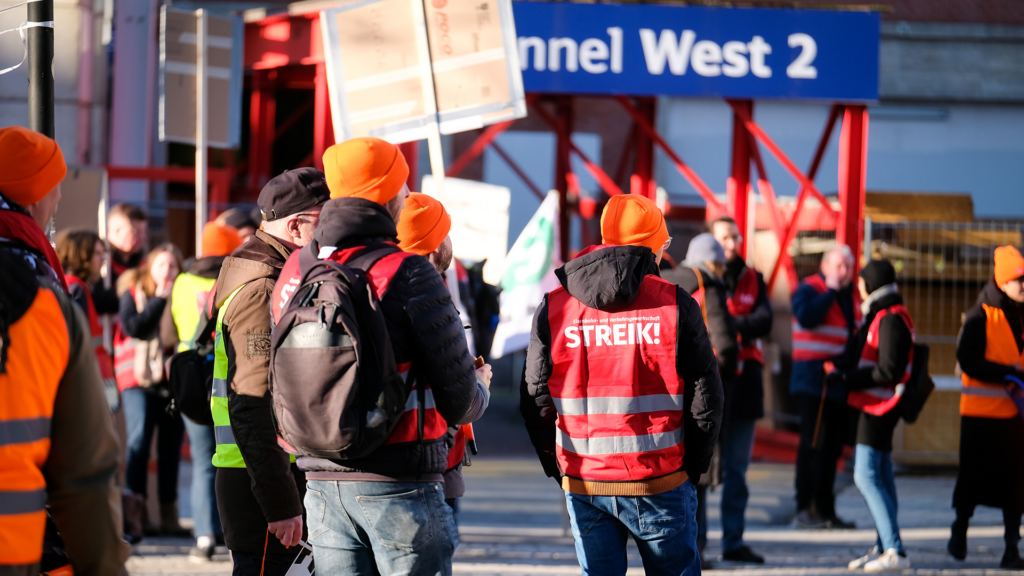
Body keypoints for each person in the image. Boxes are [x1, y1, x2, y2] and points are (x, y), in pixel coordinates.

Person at [271, 138, 491, 576]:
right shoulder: (408, 272)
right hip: (400, 485)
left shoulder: (296, 270)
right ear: (389, 194)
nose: (408, 197)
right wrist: (481, 388)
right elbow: (459, 399)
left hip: (320, 481)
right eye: (404, 188)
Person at [522, 193, 724, 576]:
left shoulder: (555, 306)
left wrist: (559, 467)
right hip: (660, 479)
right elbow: (707, 397)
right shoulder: (676, 304)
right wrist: (691, 471)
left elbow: (535, 396)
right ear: (651, 246)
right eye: (663, 244)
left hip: (585, 481)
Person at [0, 125, 127, 574]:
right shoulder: (39, 295)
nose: (57, 203)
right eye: (55, 191)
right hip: (16, 546)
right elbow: (80, 468)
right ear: (35, 197)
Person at [210, 168, 328, 575]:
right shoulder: (263, 288)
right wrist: (280, 503)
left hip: (258, 473)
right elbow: (253, 400)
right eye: (324, 220)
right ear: (296, 226)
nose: (332, 231)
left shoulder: (261, 270)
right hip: (260, 482)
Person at [397, 192, 490, 513]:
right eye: (446, 232)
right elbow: (462, 402)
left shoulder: (379, 282)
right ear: (435, 246)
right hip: (428, 460)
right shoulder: (430, 297)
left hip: (393, 458)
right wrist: (480, 383)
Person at [160, 222, 241, 562]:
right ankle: (230, 531)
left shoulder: (182, 281)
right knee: (233, 459)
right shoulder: (237, 278)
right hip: (231, 379)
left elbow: (166, 335)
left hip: (192, 382)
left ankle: (204, 536)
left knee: (202, 461)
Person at [826, 260, 914, 571]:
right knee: (882, 477)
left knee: (865, 476)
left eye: (862, 282)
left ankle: (894, 550)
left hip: (880, 408)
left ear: (871, 284)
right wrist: (841, 371)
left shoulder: (889, 318)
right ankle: (885, 546)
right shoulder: (880, 315)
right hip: (874, 406)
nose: (858, 288)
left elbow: (888, 369)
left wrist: (849, 378)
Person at [662, 232, 738, 566]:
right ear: (711, 263)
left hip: (664, 391)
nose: (723, 269)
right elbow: (725, 344)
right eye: (721, 263)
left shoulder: (662, 282)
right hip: (700, 390)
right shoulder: (709, 287)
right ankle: (696, 549)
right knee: (699, 473)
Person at [949, 245, 1024, 569]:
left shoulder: (1022, 313)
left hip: (1015, 417)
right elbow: (968, 360)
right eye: (1019, 280)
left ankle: (1011, 549)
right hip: (981, 418)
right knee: (971, 483)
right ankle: (960, 530)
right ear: (1003, 282)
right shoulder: (979, 315)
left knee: (1017, 486)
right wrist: (1008, 373)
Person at [710, 216, 772, 564]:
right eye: (724, 238)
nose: (731, 243)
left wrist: (728, 325)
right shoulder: (705, 280)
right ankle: (698, 542)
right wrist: (737, 327)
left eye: (735, 236)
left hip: (746, 384)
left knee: (737, 470)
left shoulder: (754, 279)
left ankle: (733, 541)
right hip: (712, 381)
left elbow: (764, 320)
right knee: (702, 470)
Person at [116, 243, 188, 542]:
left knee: (171, 449)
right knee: (139, 445)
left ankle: (169, 517)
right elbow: (135, 326)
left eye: (173, 266)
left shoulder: (183, 295)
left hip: (170, 381)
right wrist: (160, 299)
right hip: (138, 380)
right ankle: (137, 517)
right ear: (150, 267)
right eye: (162, 265)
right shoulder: (132, 291)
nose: (167, 272)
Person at [790, 245, 860, 529]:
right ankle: (804, 508)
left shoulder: (851, 296)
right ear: (825, 265)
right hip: (813, 381)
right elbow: (807, 317)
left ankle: (826, 509)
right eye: (839, 266)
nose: (843, 273)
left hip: (839, 381)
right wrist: (830, 291)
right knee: (812, 445)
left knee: (832, 448)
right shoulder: (809, 289)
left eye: (848, 267)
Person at [56, 229, 120, 412]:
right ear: (81, 256)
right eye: (98, 254)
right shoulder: (75, 288)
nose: (104, 259)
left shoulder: (69, 285)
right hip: (85, 381)